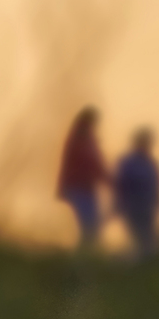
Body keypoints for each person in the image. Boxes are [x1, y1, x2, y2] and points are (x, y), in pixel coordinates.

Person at [57, 107, 110, 250]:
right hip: (80, 187)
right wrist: (108, 180)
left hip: (84, 187)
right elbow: (91, 163)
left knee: (91, 225)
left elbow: (95, 164)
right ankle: (84, 257)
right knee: (90, 225)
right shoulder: (82, 138)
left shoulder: (84, 137)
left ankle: (86, 255)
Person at [113, 127, 159, 260]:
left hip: (148, 207)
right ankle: (137, 265)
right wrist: (118, 205)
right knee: (138, 239)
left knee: (150, 239)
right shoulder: (128, 162)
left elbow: (156, 184)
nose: (147, 145)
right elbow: (120, 184)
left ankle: (147, 264)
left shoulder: (150, 163)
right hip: (133, 206)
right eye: (144, 142)